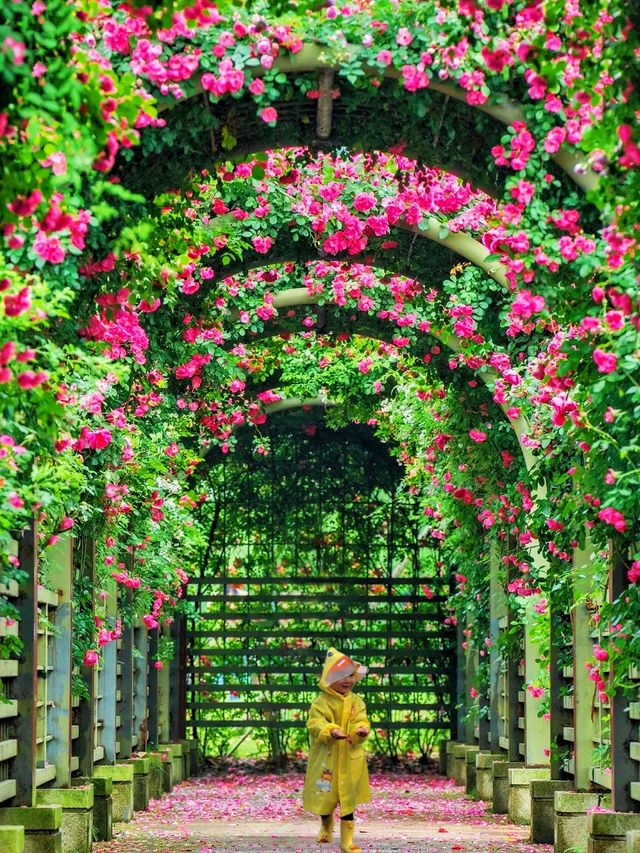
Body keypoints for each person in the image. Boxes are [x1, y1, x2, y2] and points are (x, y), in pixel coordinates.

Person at [302, 647, 371, 852]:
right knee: (326, 796)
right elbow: (315, 723)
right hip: (327, 760)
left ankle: (347, 841)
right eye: (341, 676)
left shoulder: (357, 702)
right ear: (329, 678)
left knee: (348, 798)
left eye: (351, 675)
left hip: (350, 759)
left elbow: (361, 720)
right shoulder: (320, 703)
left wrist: (361, 730)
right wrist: (330, 731)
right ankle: (326, 823)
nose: (348, 680)